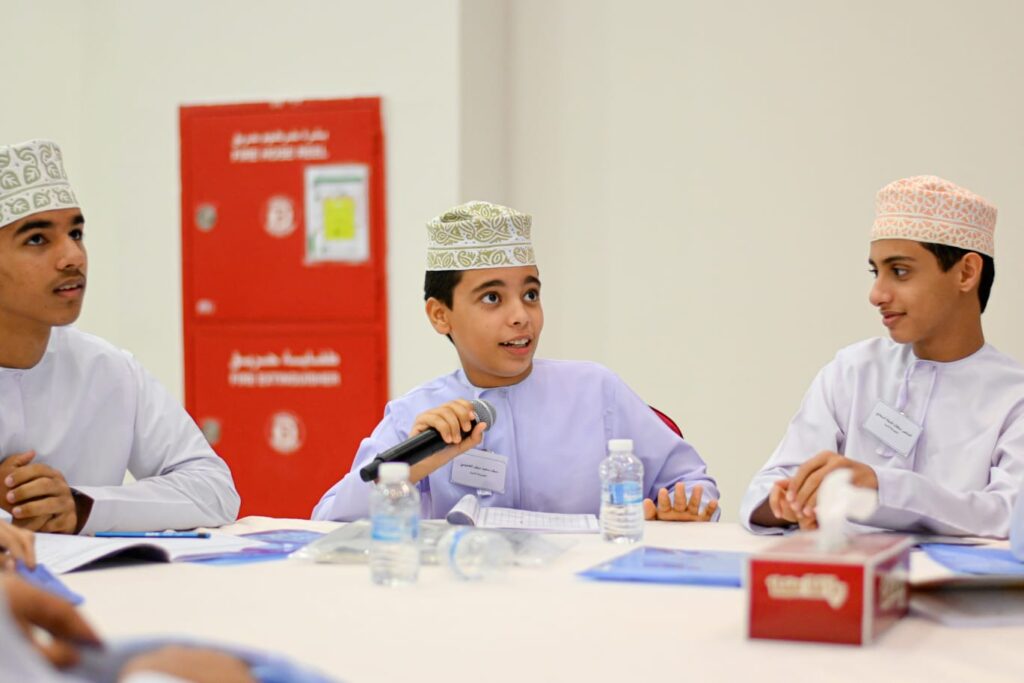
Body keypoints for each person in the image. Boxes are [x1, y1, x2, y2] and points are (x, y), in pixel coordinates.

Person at [313, 201, 718, 522]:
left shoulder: (595, 391)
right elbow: (329, 520)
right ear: (440, 315)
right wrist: (413, 466)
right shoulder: (416, 416)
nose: (521, 316)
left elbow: (693, 485)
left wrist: (682, 511)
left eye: (530, 295)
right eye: (492, 298)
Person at [740, 176, 1024, 537]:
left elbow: (1009, 514)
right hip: (844, 570)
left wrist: (881, 486)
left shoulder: (1014, 396)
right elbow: (770, 484)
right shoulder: (853, 371)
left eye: (900, 272)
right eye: (876, 272)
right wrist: (787, 502)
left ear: (966, 273)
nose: (876, 294)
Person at [0, 139, 239, 534]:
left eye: (76, 233)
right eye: (37, 239)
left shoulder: (107, 369)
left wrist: (81, 506)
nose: (73, 257)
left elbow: (214, 491)